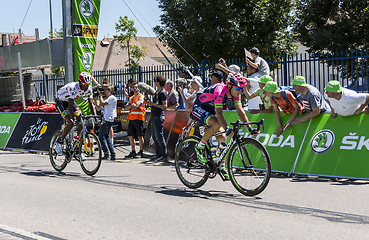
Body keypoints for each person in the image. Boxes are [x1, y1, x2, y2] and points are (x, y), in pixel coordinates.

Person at [191, 72, 258, 180]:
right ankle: (199, 146)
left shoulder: (236, 93)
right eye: (238, 88)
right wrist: (227, 128)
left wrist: (249, 128)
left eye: (242, 89)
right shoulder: (220, 91)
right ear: (230, 86)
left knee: (223, 138)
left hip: (211, 108)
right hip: (200, 106)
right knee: (217, 124)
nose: (240, 91)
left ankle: (221, 167)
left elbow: (240, 111)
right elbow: (219, 114)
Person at [54, 72, 97, 155]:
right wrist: (73, 119)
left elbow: (91, 104)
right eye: (85, 85)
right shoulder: (72, 87)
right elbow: (70, 106)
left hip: (70, 101)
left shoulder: (89, 89)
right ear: (80, 83)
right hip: (61, 101)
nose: (86, 87)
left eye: (88, 84)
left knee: (80, 123)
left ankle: (77, 148)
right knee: (70, 122)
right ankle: (59, 142)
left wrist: (95, 117)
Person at [145, 75, 168, 162]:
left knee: (159, 136)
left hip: (159, 116)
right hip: (154, 116)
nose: (154, 83)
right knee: (155, 137)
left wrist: (153, 104)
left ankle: (163, 155)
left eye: (155, 81)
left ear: (158, 82)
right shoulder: (157, 92)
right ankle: (158, 154)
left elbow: (165, 106)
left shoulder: (162, 93)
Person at [95, 84, 117, 160]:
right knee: (107, 137)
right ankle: (112, 154)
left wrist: (100, 96)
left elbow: (102, 103)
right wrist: (95, 99)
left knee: (101, 137)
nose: (104, 91)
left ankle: (107, 153)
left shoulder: (112, 98)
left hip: (108, 119)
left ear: (110, 91)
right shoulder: (107, 98)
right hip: (106, 118)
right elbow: (98, 108)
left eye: (106, 90)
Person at [124, 82, 145, 158]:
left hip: (138, 118)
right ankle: (133, 151)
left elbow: (136, 106)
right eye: (133, 88)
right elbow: (126, 108)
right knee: (130, 135)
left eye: (136, 87)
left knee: (140, 135)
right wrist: (131, 105)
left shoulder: (141, 96)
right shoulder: (131, 98)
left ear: (139, 88)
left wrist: (131, 106)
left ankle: (141, 151)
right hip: (132, 118)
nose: (134, 89)